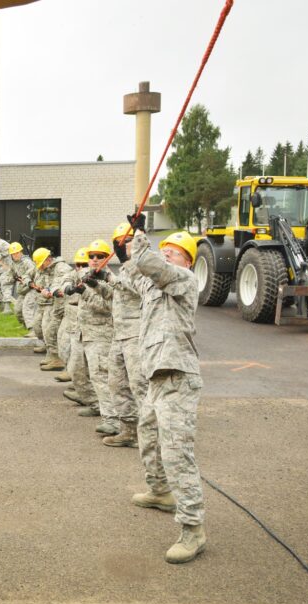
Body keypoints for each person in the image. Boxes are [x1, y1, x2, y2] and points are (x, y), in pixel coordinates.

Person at [128, 227, 207, 564]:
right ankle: (160, 491)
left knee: (177, 454)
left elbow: (150, 264)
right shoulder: (155, 287)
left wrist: (140, 238)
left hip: (178, 376)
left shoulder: (185, 280)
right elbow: (135, 273)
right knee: (147, 436)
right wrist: (125, 249)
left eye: (172, 252)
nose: (167, 256)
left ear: (186, 260)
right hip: (156, 377)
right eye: (165, 251)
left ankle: (193, 529)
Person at [102, 222, 147, 448]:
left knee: (139, 384)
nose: (124, 246)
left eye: (128, 241)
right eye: (120, 243)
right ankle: (128, 430)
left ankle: (150, 435)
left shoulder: (145, 265)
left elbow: (139, 287)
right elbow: (116, 293)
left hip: (137, 334)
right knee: (117, 384)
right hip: (119, 334)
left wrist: (112, 278)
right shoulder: (126, 266)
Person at [78, 239, 119, 437]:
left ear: (107, 258)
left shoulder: (110, 279)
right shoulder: (85, 275)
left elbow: (109, 307)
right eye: (91, 256)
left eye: (99, 256)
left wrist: (85, 292)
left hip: (102, 336)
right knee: (92, 376)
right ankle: (101, 410)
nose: (94, 260)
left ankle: (112, 419)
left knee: (102, 377)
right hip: (86, 334)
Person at [31, 248, 73, 371]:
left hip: (63, 307)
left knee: (55, 334)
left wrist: (50, 291)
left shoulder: (61, 268)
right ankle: (55, 358)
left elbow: (64, 284)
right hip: (57, 306)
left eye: (41, 263)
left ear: (48, 259)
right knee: (50, 332)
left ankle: (59, 361)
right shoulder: (49, 269)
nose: (40, 267)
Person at [54, 247, 89, 382]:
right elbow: (63, 282)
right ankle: (70, 370)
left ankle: (78, 379)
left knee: (79, 352)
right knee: (63, 345)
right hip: (69, 315)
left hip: (82, 319)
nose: (80, 268)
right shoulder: (73, 274)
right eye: (78, 265)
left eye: (83, 265)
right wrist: (64, 288)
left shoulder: (93, 277)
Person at [8, 242, 37, 331]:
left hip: (31, 289)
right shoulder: (13, 264)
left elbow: (35, 274)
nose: (15, 255)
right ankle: (24, 324)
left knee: (27, 308)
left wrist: (26, 279)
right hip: (22, 290)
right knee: (17, 310)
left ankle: (32, 330)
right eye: (13, 254)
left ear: (21, 252)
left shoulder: (27, 262)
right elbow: (10, 275)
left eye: (17, 253)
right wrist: (13, 278)